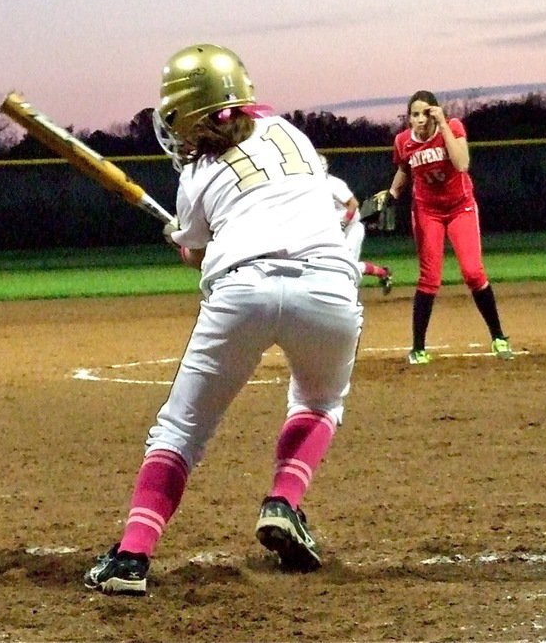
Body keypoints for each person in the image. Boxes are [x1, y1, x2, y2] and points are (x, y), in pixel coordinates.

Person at [83, 43, 363, 596]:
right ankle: (284, 501)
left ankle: (132, 558)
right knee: (319, 404)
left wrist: (183, 240)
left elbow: (197, 251)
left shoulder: (196, 171)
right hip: (329, 289)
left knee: (180, 430)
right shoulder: (292, 133)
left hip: (242, 292)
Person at [375, 90, 512, 365]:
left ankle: (498, 337)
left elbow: (462, 163)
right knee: (429, 277)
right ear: (409, 118)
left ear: (436, 113)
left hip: (460, 207)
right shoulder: (403, 141)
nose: (420, 119)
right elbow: (404, 169)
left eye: (426, 113)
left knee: (473, 272)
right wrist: (391, 194)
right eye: (415, 114)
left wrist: (444, 125)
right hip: (427, 211)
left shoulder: (453, 127)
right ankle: (418, 349)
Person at [320, 155, 393, 294]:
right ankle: (383, 273)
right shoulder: (311, 188)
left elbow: (353, 204)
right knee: (332, 263)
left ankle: (349, 294)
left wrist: (343, 223)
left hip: (351, 228)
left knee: (347, 264)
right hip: (334, 232)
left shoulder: (334, 184)